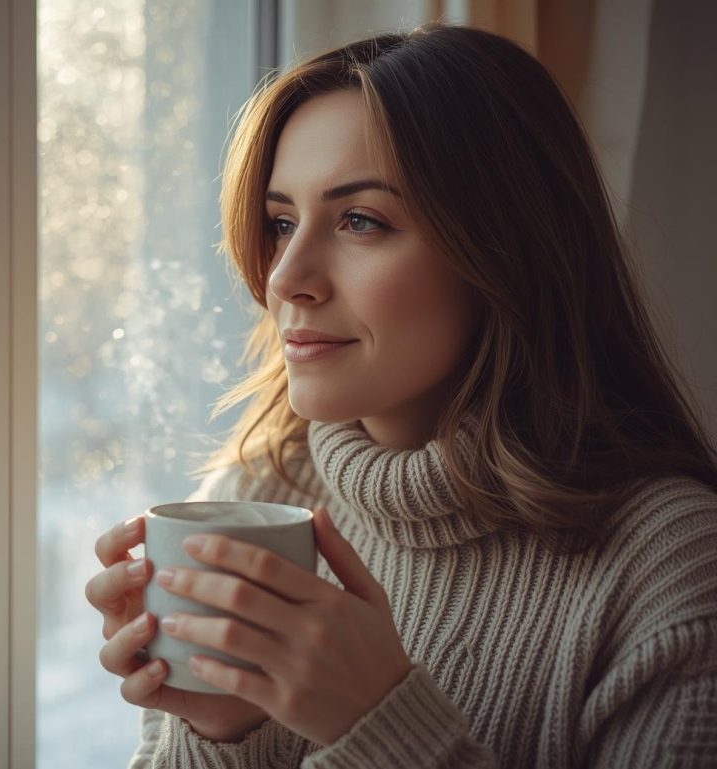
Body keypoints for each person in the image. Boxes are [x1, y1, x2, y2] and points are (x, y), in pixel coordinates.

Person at [84, 23, 717, 768]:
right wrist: (224, 732)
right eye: (281, 222)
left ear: (507, 252)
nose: (285, 277)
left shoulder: (669, 566)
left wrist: (379, 721)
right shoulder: (257, 488)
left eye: (360, 221)